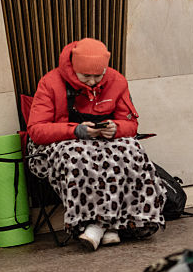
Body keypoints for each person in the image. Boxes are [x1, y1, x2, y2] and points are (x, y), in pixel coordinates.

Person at [26, 37, 166, 250]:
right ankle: (92, 223)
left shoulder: (116, 81)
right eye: (86, 76)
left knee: (131, 150)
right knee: (79, 155)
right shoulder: (50, 83)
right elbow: (36, 130)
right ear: (73, 69)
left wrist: (116, 128)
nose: (92, 82)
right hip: (58, 146)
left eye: (97, 76)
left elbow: (131, 124)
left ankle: (118, 224)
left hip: (103, 143)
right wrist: (75, 131)